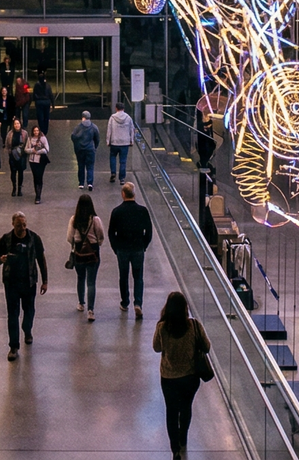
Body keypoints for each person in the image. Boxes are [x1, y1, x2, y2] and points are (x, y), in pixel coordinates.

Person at [153, 291, 212, 460]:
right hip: (190, 377)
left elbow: (156, 347)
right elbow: (207, 347)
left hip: (169, 377)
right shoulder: (194, 326)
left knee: (171, 411)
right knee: (186, 407)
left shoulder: (162, 327)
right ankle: (183, 437)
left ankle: (175, 449)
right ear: (185, 308)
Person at [0, 211, 48, 359]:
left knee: (29, 310)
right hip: (11, 283)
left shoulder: (34, 238)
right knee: (12, 314)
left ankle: (27, 329)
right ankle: (13, 347)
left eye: (24, 225)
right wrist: (2, 259)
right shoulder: (6, 239)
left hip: (29, 282)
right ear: (13, 224)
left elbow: (41, 259)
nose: (22, 228)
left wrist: (45, 281)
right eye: (19, 225)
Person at [109, 181, 154, 319]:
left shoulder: (117, 212)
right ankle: (138, 303)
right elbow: (149, 231)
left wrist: (116, 248)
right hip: (137, 248)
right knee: (138, 276)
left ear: (123, 194)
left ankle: (125, 302)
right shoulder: (142, 211)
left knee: (123, 276)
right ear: (134, 194)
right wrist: (144, 245)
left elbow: (111, 232)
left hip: (122, 248)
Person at [68, 193, 106, 321]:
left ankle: (81, 303)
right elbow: (100, 236)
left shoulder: (74, 219)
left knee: (80, 277)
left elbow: (69, 237)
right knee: (91, 282)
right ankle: (91, 310)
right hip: (93, 253)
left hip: (79, 252)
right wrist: (97, 244)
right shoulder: (95, 220)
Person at [71, 110, 101, 190]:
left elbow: (73, 136)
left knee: (81, 166)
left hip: (80, 150)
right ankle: (90, 183)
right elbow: (97, 138)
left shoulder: (78, 127)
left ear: (83, 117)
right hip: (90, 150)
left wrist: (77, 145)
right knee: (90, 166)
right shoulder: (94, 127)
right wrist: (95, 147)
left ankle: (81, 183)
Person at [107, 102, 136, 182]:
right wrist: (131, 140)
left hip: (114, 142)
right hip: (125, 142)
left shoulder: (112, 118)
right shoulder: (128, 118)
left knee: (112, 157)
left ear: (116, 108)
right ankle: (122, 178)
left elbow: (109, 130)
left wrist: (108, 141)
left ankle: (113, 173)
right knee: (123, 161)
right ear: (123, 109)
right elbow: (132, 130)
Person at [26, 127, 51, 204]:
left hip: (41, 161)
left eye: (37, 131)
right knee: (35, 177)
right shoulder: (29, 139)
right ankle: (37, 192)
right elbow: (26, 149)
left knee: (39, 177)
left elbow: (47, 149)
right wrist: (32, 150)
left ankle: (38, 196)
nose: (36, 132)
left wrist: (38, 152)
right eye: (34, 131)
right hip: (32, 161)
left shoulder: (43, 138)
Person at [6, 121, 29, 196]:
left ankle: (19, 189)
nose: (17, 125)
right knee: (13, 172)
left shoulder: (25, 133)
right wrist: (10, 152)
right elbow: (7, 144)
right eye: (15, 124)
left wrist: (25, 152)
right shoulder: (10, 133)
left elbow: (27, 143)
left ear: (20, 124)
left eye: (18, 123)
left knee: (21, 172)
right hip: (12, 155)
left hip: (22, 155)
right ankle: (14, 187)